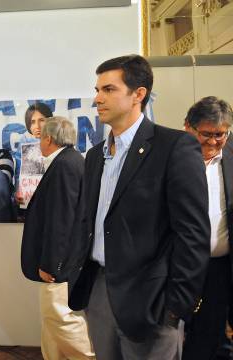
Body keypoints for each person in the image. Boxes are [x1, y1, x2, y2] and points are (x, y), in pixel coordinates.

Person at [68, 55, 210, 360]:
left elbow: (193, 234)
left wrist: (175, 307)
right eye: (97, 89)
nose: (97, 99)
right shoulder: (94, 156)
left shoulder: (174, 147)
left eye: (108, 89)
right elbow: (87, 222)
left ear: (139, 94)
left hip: (152, 298)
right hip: (100, 290)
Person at [21, 117, 94, 360]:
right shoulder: (71, 161)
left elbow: (61, 221)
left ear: (48, 139)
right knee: (51, 322)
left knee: (60, 317)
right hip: (67, 259)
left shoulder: (64, 165)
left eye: (40, 137)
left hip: (60, 265)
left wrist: (51, 264)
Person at [182, 96, 233, 360]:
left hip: (219, 268)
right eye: (206, 134)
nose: (213, 142)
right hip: (178, 268)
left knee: (211, 335)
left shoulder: (230, 157)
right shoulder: (172, 157)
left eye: (220, 135)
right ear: (188, 127)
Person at [14, 102, 53, 206]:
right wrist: (19, 191)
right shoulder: (25, 141)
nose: (37, 126)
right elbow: (19, 172)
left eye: (41, 120)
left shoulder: (59, 139)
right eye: (33, 122)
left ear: (49, 121)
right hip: (31, 200)